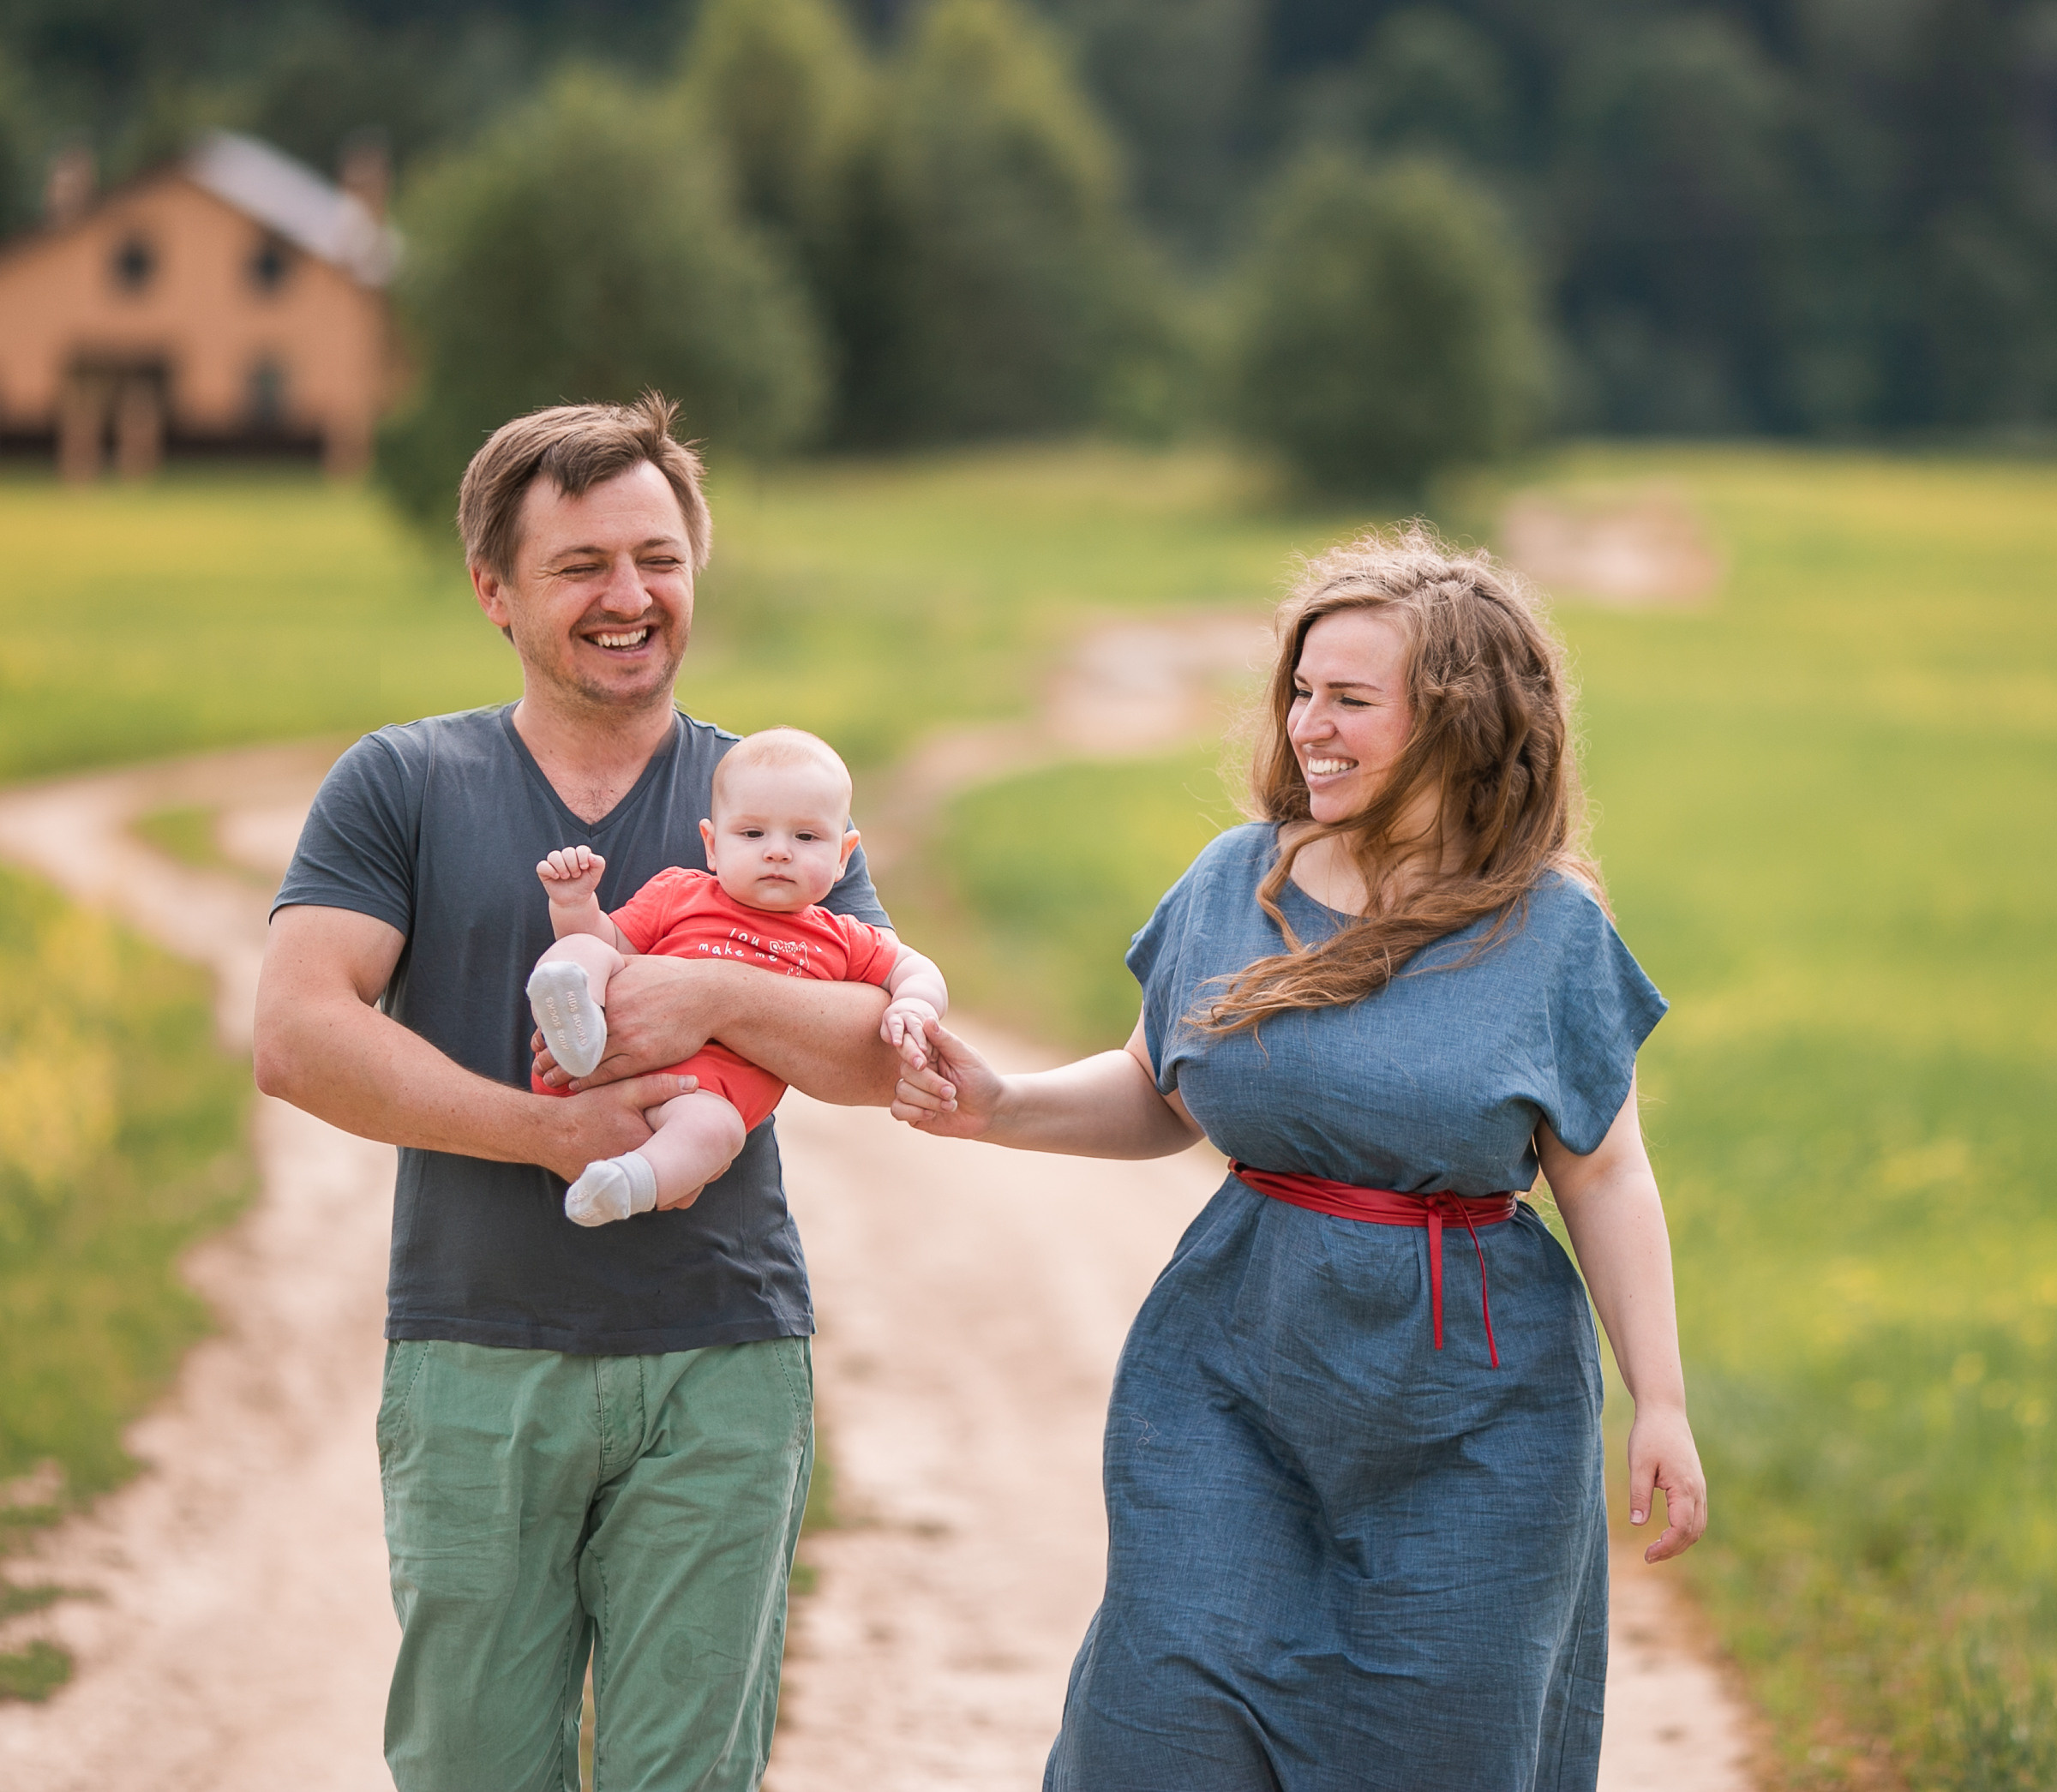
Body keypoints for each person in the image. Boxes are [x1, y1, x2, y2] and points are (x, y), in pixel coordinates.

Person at [892, 525, 1708, 1791]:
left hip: (1476, 1413)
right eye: (1300, 689)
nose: (1307, 723)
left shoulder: (1551, 928)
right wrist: (999, 1104)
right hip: (1235, 1377)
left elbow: (1603, 1172)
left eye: (1350, 699)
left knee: (1437, 1741)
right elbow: (1160, 1085)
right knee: (1161, 1721)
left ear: (1455, 722)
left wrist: (1660, 1398)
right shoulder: (1237, 879)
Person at [253, 394, 903, 1792]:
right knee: (472, 1765)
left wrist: (721, 998)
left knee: (689, 1773)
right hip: (476, 1352)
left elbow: (874, 1054)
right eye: (583, 565)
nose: (631, 596)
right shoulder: (404, 783)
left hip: (723, 1355)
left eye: (658, 558)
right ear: (495, 590)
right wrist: (549, 1132)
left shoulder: (767, 804)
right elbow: (298, 1034)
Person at [528, 725, 946, 1226]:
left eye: (806, 837)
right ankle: (571, 1012)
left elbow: (913, 966)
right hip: (587, 1067)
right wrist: (575, 905)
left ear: (843, 856)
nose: (777, 851)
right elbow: (611, 942)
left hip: (695, 1099)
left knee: (717, 1132)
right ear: (711, 844)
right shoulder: (680, 892)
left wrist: (914, 1002)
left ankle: (626, 1183)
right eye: (752, 834)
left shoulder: (842, 936)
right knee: (583, 947)